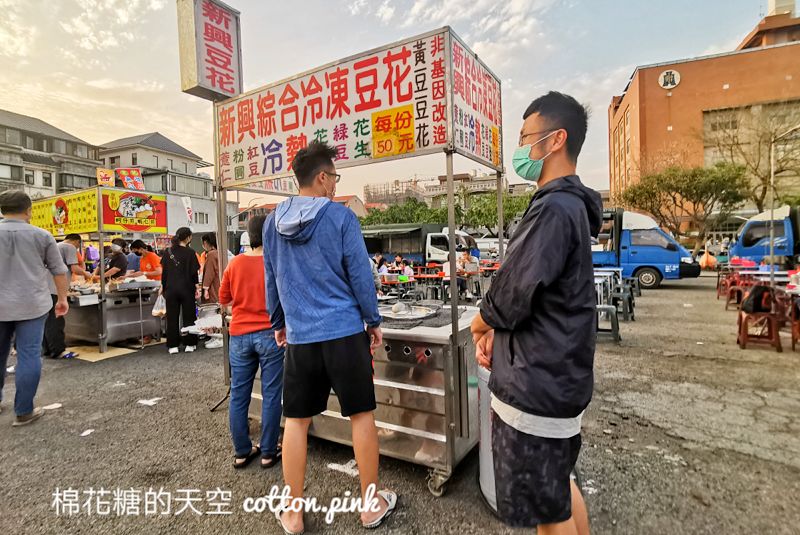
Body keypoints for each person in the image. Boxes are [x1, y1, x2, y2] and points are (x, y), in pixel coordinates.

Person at [470, 91, 600, 535]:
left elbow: (511, 293)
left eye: (527, 137)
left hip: (537, 386)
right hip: (556, 377)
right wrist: (497, 333)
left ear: (556, 139)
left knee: (548, 514)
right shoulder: (573, 207)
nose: (521, 149)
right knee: (558, 490)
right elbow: (534, 296)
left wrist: (479, 325)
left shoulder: (555, 208)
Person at [263, 142, 397, 533]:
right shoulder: (340, 218)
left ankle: (292, 510)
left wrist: (278, 322)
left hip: (301, 336)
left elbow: (271, 277)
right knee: (361, 416)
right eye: (335, 177)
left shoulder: (272, 222)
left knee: (296, 422)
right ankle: (370, 504)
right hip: (343, 332)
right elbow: (360, 275)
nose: (335, 184)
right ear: (321, 178)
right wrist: (372, 320)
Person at [219, 215, 284, 469]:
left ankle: (242, 451)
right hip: (271, 334)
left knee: (238, 394)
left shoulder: (234, 264)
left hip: (239, 336)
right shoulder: (275, 263)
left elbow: (223, 297)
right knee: (270, 394)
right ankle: (268, 452)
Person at [0, 190, 69, 426]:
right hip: (32, 304)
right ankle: (23, 411)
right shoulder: (41, 235)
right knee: (29, 355)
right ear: (29, 210)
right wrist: (62, 299)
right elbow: (59, 271)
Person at [42, 234, 91, 360]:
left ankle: (47, 349)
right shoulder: (69, 247)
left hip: (44, 289)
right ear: (76, 242)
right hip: (55, 289)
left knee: (47, 321)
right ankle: (59, 351)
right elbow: (74, 268)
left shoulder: (54, 246)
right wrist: (87, 273)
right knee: (56, 321)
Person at [160, 227, 200, 354]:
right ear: (188, 238)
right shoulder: (190, 252)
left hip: (171, 289)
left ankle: (173, 346)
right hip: (187, 288)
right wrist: (197, 287)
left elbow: (164, 272)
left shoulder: (168, 252)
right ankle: (190, 343)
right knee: (189, 316)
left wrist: (163, 286)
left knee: (172, 317)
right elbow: (194, 273)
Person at [201, 233, 220, 304]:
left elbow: (209, 272)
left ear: (205, 242)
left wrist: (206, 288)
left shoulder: (211, 254)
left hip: (213, 287)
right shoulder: (219, 253)